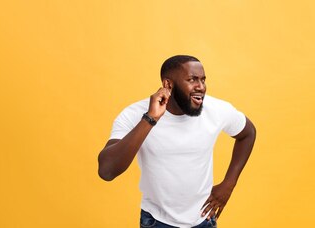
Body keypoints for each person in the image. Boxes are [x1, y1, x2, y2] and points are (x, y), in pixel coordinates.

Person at [98, 55, 256, 228]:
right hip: (157, 221)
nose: (201, 87)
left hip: (203, 219)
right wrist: (150, 119)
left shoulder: (216, 109)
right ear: (168, 84)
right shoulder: (135, 114)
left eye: (203, 80)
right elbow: (107, 170)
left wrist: (229, 183)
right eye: (192, 80)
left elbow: (248, 133)